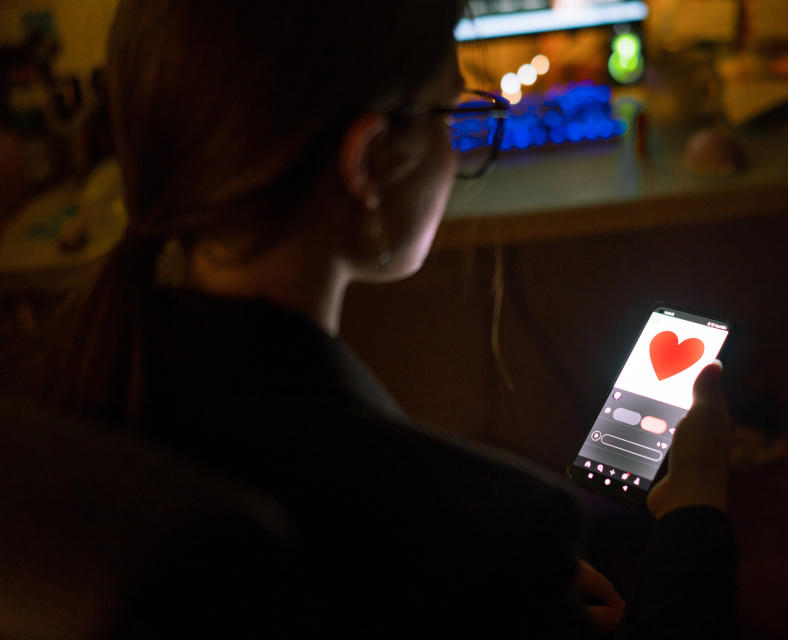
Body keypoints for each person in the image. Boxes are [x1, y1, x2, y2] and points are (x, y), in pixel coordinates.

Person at [9, 1, 737, 636]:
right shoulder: (489, 535)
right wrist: (695, 507)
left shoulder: (46, 404)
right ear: (370, 161)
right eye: (455, 112)